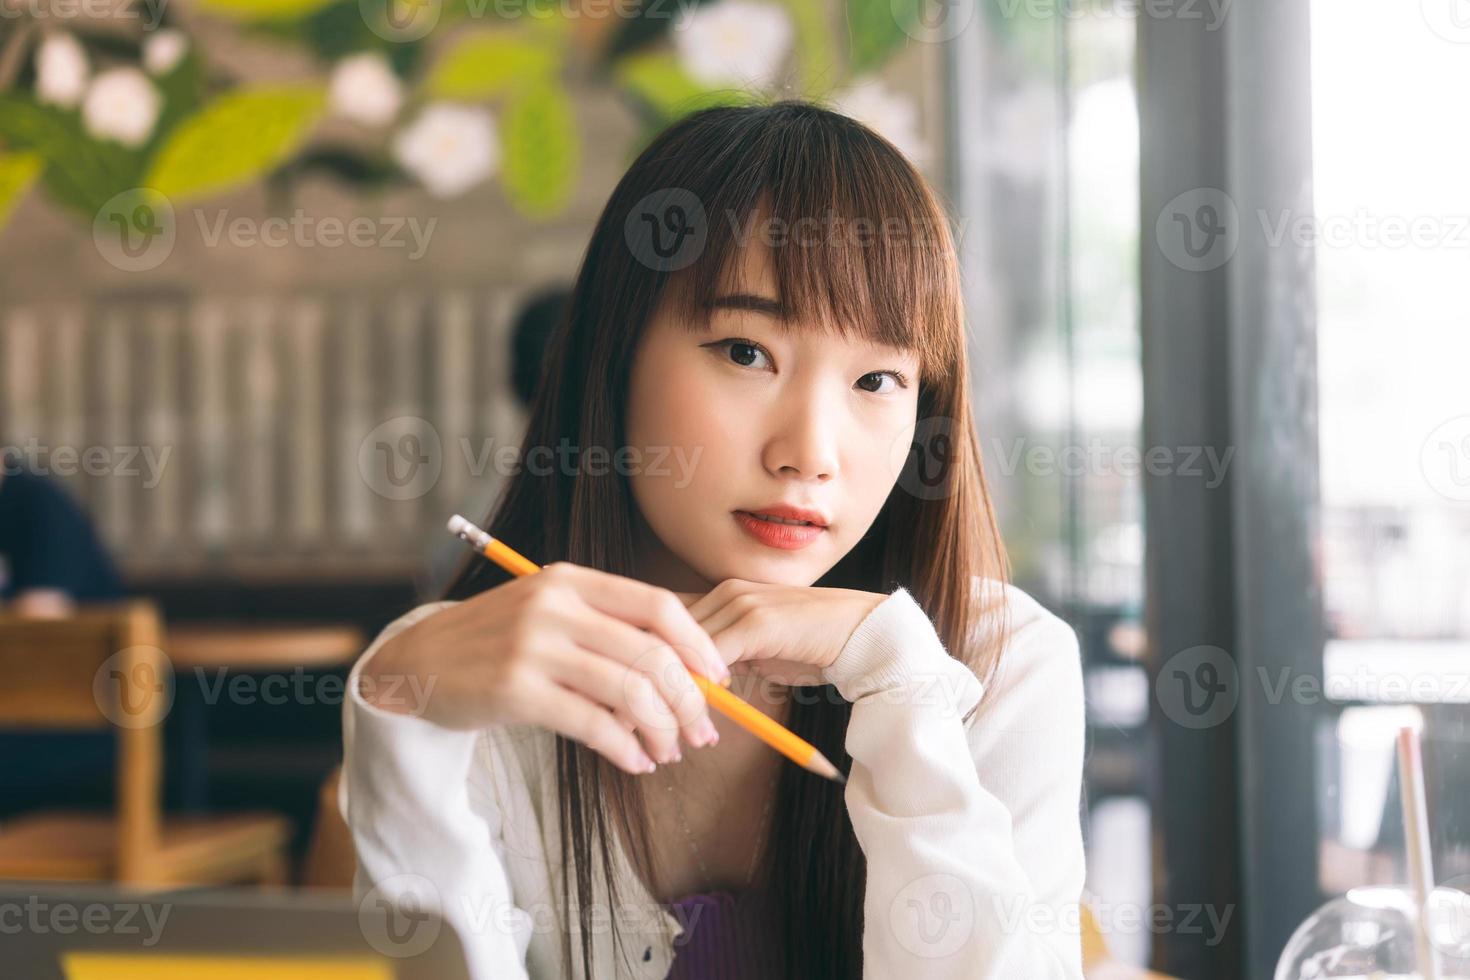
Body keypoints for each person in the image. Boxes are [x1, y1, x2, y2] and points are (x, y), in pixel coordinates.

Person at [339, 101, 1087, 980]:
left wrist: (899, 684)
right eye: (744, 352)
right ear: (612, 360)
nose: (809, 453)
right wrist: (405, 722)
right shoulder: (493, 677)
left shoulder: (1000, 664)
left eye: (877, 379)